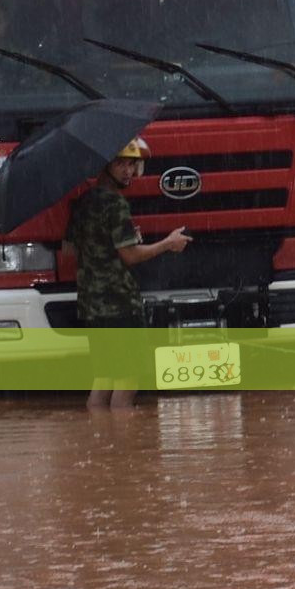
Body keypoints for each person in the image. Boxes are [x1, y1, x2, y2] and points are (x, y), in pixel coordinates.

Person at [67, 137, 189, 410]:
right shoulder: (115, 204)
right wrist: (168, 243)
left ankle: (100, 445)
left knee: (103, 380)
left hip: (92, 306)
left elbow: (69, 249)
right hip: (119, 305)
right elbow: (131, 256)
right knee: (127, 382)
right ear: (105, 165)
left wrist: (113, 241)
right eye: (121, 163)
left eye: (132, 164)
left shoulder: (83, 202)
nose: (128, 172)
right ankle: (124, 450)